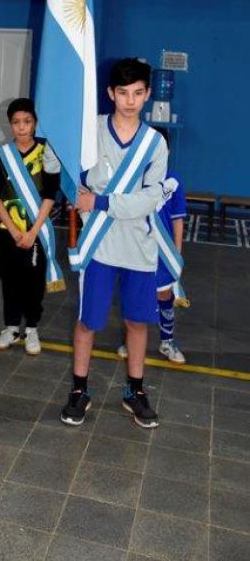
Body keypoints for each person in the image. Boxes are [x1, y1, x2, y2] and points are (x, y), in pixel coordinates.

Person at [60, 58, 168, 429]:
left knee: (138, 322)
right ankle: (79, 389)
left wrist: (100, 201)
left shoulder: (155, 144)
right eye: (123, 93)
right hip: (99, 246)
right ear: (110, 93)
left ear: (148, 94)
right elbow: (68, 176)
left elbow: (150, 199)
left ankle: (135, 391)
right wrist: (75, 193)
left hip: (139, 246)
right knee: (88, 321)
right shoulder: (90, 132)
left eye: (138, 93)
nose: (130, 100)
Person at [0, 98, 60, 355]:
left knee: (33, 280)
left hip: (37, 230)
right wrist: (15, 230)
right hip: (10, 231)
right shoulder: (0, 156)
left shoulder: (47, 152)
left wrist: (32, 231)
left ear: (35, 123)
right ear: (9, 124)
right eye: (16, 122)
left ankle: (31, 328)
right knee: (9, 278)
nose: (22, 127)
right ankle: (10, 327)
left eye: (27, 121)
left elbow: (51, 195)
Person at [117, 127, 187, 364]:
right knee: (135, 293)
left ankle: (167, 341)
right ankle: (130, 340)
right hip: (136, 245)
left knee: (164, 293)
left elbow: (178, 218)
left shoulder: (174, 181)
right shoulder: (132, 178)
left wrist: (177, 252)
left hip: (163, 251)